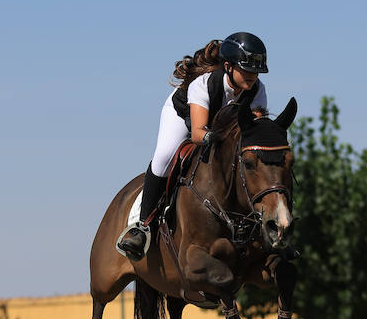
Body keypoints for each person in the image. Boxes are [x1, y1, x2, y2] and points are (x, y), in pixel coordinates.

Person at [115, 31, 271, 260]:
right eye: (246, 69)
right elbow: (198, 133)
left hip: (218, 130)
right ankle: (143, 225)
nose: (252, 76)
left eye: (256, 71)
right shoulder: (204, 84)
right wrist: (218, 139)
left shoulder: (257, 90)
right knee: (165, 156)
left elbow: (254, 130)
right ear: (228, 67)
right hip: (183, 117)